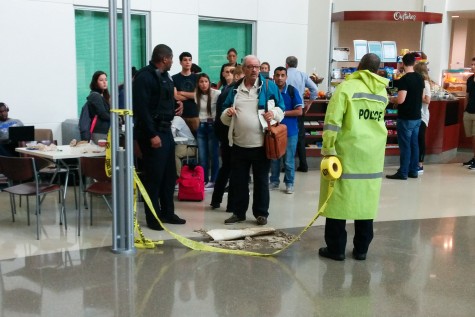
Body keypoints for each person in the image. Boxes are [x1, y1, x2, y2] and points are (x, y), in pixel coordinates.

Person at [318, 53, 389, 261]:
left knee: (337, 201)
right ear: (377, 70)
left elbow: (332, 123)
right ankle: (361, 250)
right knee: (365, 204)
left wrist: (328, 149)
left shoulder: (346, 89)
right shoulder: (382, 91)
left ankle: (336, 249)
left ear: (359, 67)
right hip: (372, 157)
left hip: (346, 155)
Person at [220, 55, 285, 226]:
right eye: (250, 67)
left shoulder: (268, 86)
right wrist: (227, 114)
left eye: (257, 66)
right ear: (244, 69)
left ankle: (261, 214)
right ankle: (238, 213)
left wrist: (274, 114)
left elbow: (282, 109)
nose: (255, 70)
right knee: (239, 182)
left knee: (261, 181)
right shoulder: (235, 89)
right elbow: (223, 116)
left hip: (261, 145)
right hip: (239, 145)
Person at [132, 44, 185, 231]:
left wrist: (177, 105)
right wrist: (152, 134)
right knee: (154, 179)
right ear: (165, 59)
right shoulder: (144, 77)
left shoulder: (164, 76)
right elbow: (142, 109)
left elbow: (164, 100)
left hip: (166, 131)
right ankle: (153, 218)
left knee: (169, 176)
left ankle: (167, 213)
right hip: (152, 133)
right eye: (171, 59)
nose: (172, 62)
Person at [386, 53, 425, 180]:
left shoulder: (404, 79)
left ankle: (403, 172)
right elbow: (421, 96)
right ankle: (413, 170)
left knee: (405, 146)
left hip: (406, 117)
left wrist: (391, 99)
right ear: (414, 63)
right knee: (414, 144)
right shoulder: (420, 78)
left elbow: (401, 100)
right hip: (417, 117)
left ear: (403, 63)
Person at [210, 65, 241, 210]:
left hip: (227, 135)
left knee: (227, 168)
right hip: (230, 136)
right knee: (233, 169)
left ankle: (216, 200)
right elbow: (223, 117)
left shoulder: (227, 90)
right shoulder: (232, 91)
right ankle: (230, 204)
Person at [269, 66, 303, 194]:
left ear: (286, 77)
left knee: (288, 160)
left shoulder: (292, 91)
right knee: (274, 158)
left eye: (282, 75)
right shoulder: (270, 91)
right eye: (277, 75)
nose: (279, 78)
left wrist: (281, 113)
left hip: (290, 132)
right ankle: (274, 181)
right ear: (273, 76)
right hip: (274, 131)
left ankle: (289, 183)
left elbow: (299, 111)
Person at [285, 56, 318, 172]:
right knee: (300, 138)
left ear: (286, 64)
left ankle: (286, 166)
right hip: (299, 109)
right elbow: (315, 89)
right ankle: (303, 165)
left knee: (285, 137)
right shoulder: (302, 75)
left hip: (285, 111)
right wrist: (309, 103)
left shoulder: (283, 75)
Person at [195, 73, 221, 189]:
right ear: (198, 83)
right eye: (201, 82)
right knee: (202, 156)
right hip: (201, 126)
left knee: (213, 154)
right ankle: (204, 179)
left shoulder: (216, 93)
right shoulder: (197, 95)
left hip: (212, 126)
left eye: (206, 81)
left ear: (209, 82)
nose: (204, 84)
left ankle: (214, 180)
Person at [173, 52, 199, 134]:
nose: (187, 62)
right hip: (180, 116)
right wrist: (192, 95)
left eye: (189, 60)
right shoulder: (174, 78)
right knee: (182, 143)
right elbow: (176, 96)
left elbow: (198, 95)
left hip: (195, 115)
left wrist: (181, 93)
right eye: (185, 60)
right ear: (180, 62)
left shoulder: (197, 78)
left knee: (197, 141)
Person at [414, 62, 431, 174]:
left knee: (420, 138)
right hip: (415, 114)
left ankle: (420, 164)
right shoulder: (418, 82)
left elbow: (427, 100)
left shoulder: (425, 84)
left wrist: (416, 95)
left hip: (422, 115)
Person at [88, 71, 111, 144]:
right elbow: (102, 114)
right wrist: (116, 117)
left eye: (106, 80)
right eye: (101, 80)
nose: (104, 82)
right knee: (102, 153)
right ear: (95, 83)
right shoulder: (95, 96)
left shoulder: (103, 96)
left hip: (105, 131)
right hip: (100, 132)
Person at [462, 57, 475, 170]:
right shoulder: (470, 79)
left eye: (474, 64)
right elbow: (467, 95)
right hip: (469, 111)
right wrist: (464, 109)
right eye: (472, 64)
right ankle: (474, 157)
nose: (472, 66)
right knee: (471, 137)